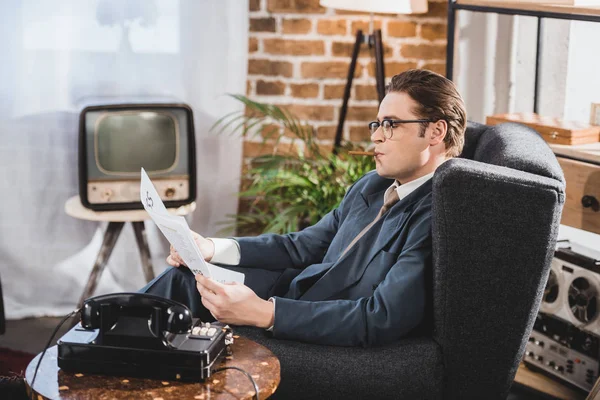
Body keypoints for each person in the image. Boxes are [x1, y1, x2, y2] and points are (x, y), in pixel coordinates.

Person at [141, 69, 467, 347]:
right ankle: (97, 339)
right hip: (296, 291)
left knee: (180, 305)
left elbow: (380, 316)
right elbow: (303, 246)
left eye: (391, 125)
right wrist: (211, 248)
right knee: (184, 278)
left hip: (317, 324)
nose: (376, 138)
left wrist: (263, 313)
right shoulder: (373, 185)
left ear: (435, 132)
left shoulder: (440, 215)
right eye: (377, 124)